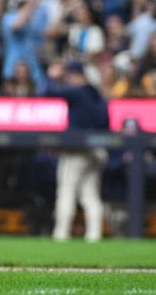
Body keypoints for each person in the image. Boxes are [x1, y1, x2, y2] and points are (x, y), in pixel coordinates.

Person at [46, 61, 109, 242]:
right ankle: (94, 236)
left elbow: (49, 92)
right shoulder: (96, 94)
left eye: (68, 77)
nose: (67, 80)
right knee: (90, 195)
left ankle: (61, 235)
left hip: (77, 151)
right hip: (98, 150)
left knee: (67, 191)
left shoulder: (79, 91)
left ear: (75, 75)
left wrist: (52, 76)